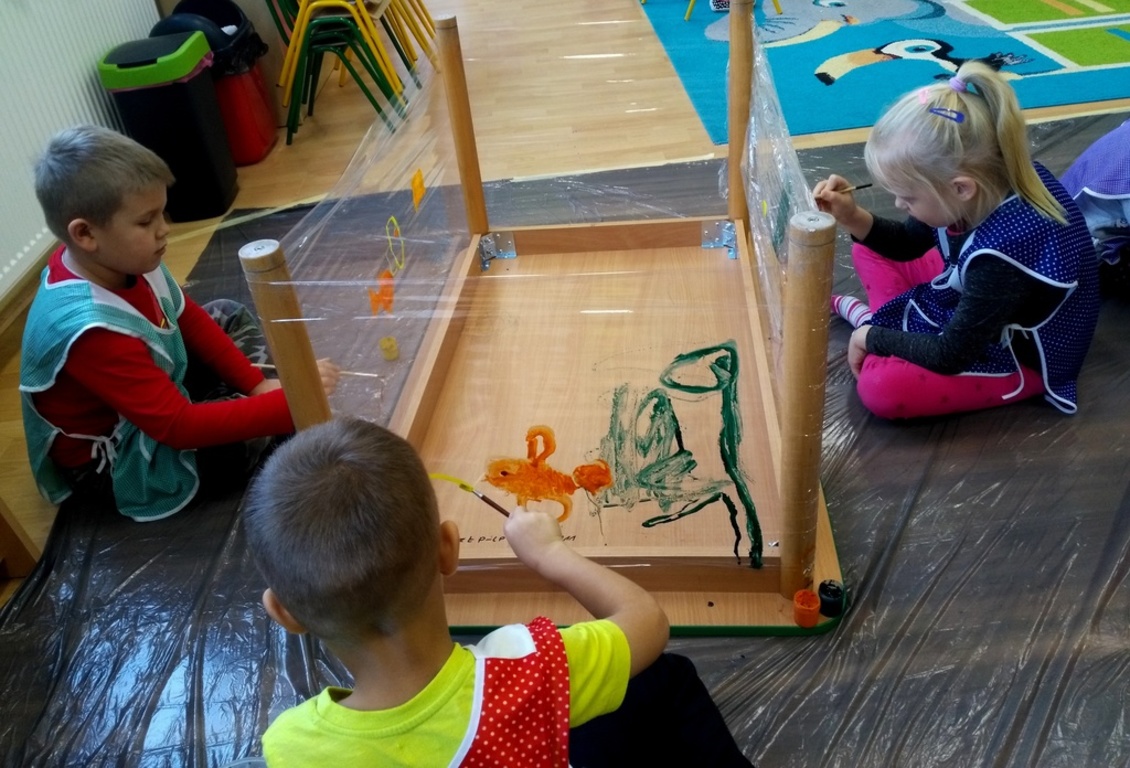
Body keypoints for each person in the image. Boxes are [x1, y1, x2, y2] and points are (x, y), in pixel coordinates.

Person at [242, 416, 755, 767]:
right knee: (666, 677)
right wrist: (550, 555)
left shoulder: (291, 745)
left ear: (283, 612)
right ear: (449, 549)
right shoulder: (529, 672)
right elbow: (646, 620)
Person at [20, 124, 340, 521]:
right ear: (85, 234)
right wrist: (295, 401)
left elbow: (186, 315)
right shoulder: (92, 331)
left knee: (225, 312)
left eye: (162, 213)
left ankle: (249, 398)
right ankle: (254, 410)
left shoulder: (118, 257)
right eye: (146, 221)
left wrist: (257, 386)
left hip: (148, 403)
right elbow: (178, 427)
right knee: (232, 445)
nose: (164, 229)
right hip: (116, 459)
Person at [813, 61, 1099, 420]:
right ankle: (885, 323)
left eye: (908, 197)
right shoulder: (978, 189)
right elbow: (906, 242)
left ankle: (877, 322)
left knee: (881, 389)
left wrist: (870, 337)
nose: (899, 205)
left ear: (961, 188)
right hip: (981, 302)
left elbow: (951, 354)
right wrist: (850, 215)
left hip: (1017, 357)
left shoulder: (1000, 259)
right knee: (867, 247)